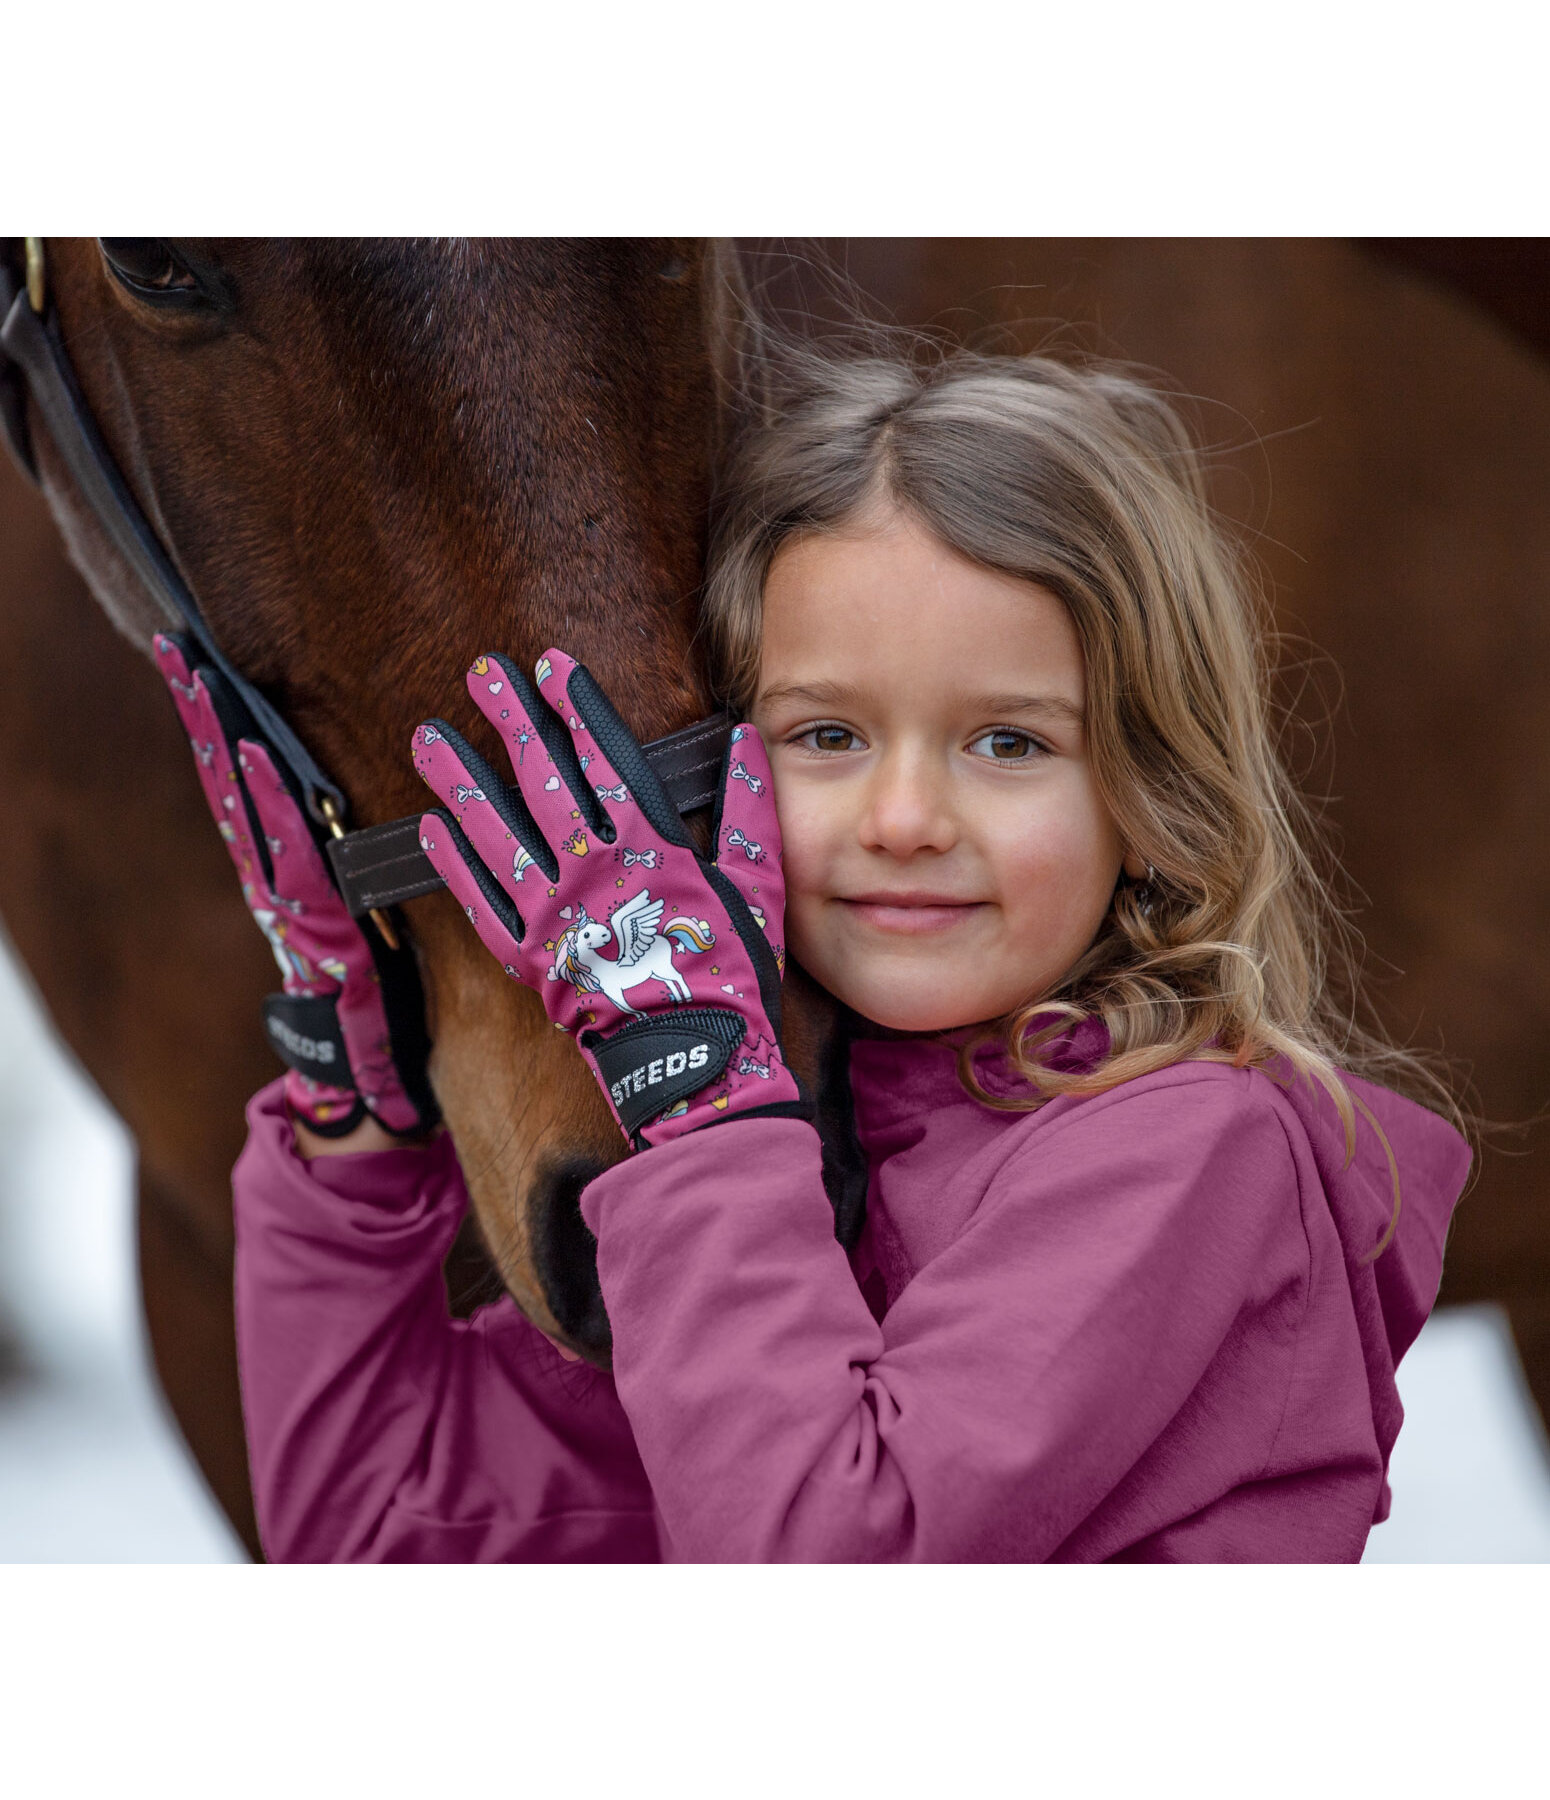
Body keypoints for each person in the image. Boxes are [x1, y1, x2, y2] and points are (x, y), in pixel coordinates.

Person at [177, 342, 1474, 1562]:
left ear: (1146, 798)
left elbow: (831, 1561)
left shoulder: (1190, 1149)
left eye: (1008, 742)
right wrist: (350, 1103)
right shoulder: (789, 1159)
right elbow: (376, 1535)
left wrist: (694, 1095)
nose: (905, 821)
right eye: (826, 738)